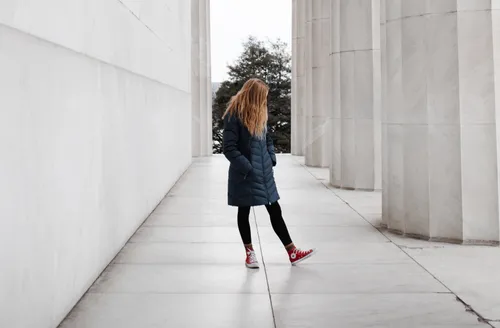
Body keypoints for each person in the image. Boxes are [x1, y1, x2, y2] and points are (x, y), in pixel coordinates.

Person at [222, 78, 316, 268]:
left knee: (275, 210)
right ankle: (250, 254)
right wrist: (248, 167)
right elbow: (229, 148)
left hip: (264, 173)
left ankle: (292, 251)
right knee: (244, 211)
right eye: (262, 96)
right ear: (254, 96)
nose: (265, 100)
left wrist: (271, 158)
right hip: (245, 174)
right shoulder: (234, 115)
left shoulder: (260, 113)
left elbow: (268, 140)